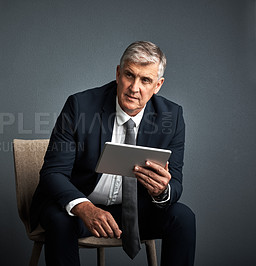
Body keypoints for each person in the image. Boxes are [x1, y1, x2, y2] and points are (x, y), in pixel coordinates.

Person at [30, 41, 196, 266]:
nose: (134, 87)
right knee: (59, 220)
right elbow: (53, 173)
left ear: (158, 85)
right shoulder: (80, 106)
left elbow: (175, 182)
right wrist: (85, 207)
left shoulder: (172, 116)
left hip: (135, 212)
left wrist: (162, 191)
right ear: (118, 73)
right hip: (81, 207)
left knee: (183, 218)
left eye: (145, 80)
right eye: (129, 75)